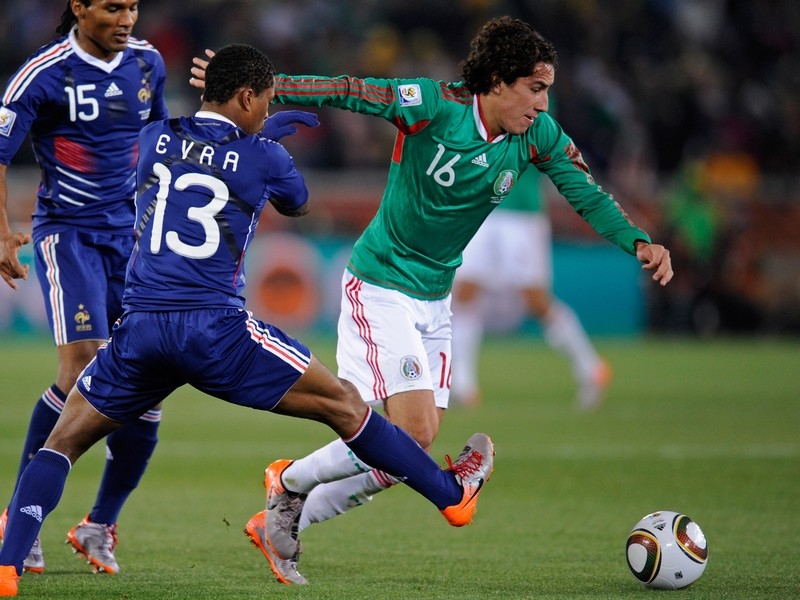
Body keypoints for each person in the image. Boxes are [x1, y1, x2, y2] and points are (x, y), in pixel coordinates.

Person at [190, 15, 672, 585]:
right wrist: (271, 85)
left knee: (398, 457)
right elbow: (352, 92)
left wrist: (636, 239)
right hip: (381, 284)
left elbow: (585, 193)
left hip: (435, 299)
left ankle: (277, 513)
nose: (543, 104)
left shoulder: (535, 136)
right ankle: (290, 481)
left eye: (547, 90)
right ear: (497, 80)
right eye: (535, 89)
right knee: (411, 439)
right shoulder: (433, 105)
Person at [0, 43, 494, 598]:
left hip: (140, 329)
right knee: (345, 406)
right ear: (245, 96)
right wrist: (264, 144)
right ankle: (450, 497)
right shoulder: (265, 155)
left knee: (62, 443)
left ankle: (7, 566)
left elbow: (173, 161)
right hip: (216, 331)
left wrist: (244, 140)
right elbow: (299, 202)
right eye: (264, 101)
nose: (267, 110)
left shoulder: (151, 138)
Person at [0, 0, 169, 575]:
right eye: (112, 7)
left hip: (132, 239)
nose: (127, 18)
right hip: (68, 235)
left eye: (133, 7)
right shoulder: (42, 73)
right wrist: (1, 232)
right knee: (79, 372)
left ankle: (99, 524)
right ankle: (22, 517)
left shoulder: (148, 64)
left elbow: (159, 142)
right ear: (79, 7)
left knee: (147, 383)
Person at [451, 166, 611, 410]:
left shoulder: (536, 127)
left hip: (521, 212)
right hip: (480, 207)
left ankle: (590, 367)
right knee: (465, 290)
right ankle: (463, 384)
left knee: (535, 299)